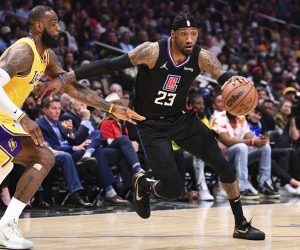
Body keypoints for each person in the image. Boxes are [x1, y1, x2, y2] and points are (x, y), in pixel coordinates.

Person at [36, 12, 265, 240]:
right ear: (173, 34)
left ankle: (241, 225)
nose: (189, 40)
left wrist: (238, 81)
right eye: (184, 34)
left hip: (182, 119)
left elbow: (223, 77)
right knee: (174, 191)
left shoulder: (202, 57)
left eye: (193, 34)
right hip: (150, 125)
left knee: (224, 167)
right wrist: (65, 78)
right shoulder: (152, 51)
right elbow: (108, 64)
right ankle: (143, 184)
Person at [0, 5, 144, 249]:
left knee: (18, 166)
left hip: (8, 119)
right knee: (43, 157)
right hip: (6, 118)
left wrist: (111, 108)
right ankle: (6, 227)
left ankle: (6, 226)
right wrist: (22, 116)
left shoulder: (46, 56)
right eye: (53, 23)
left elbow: (73, 88)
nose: (59, 29)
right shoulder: (24, 52)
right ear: (37, 26)